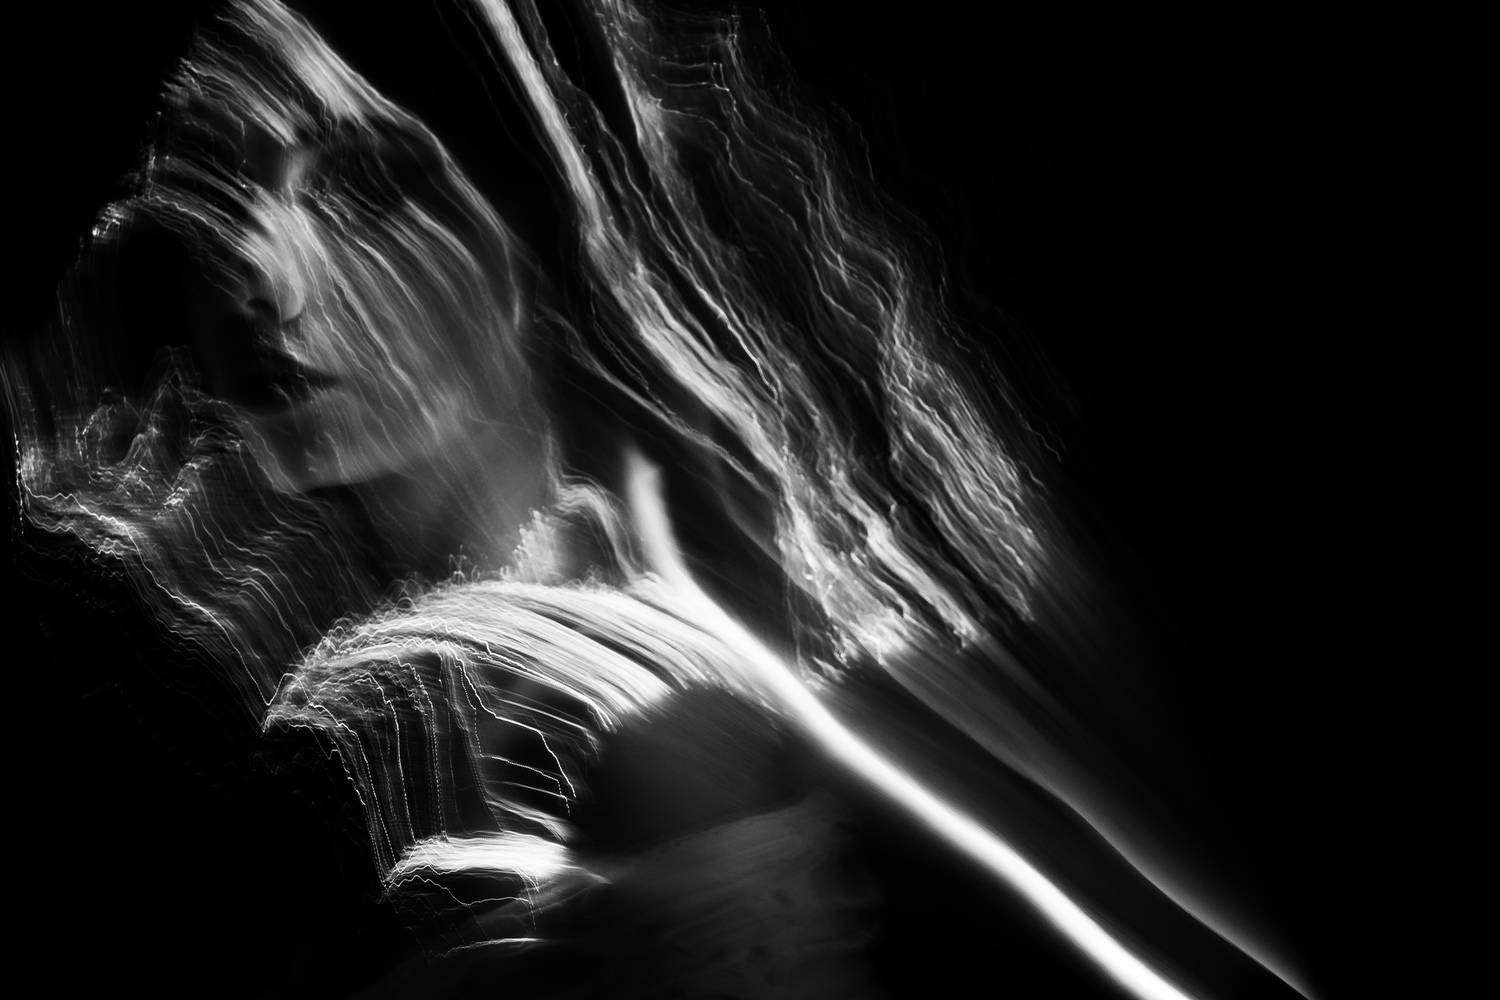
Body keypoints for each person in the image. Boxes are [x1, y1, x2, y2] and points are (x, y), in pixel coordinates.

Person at [4, 1, 1311, 997]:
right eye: (216, 203)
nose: (261, 278)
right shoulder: (288, 701)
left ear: (522, 224)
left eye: (360, 187)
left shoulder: (670, 712)